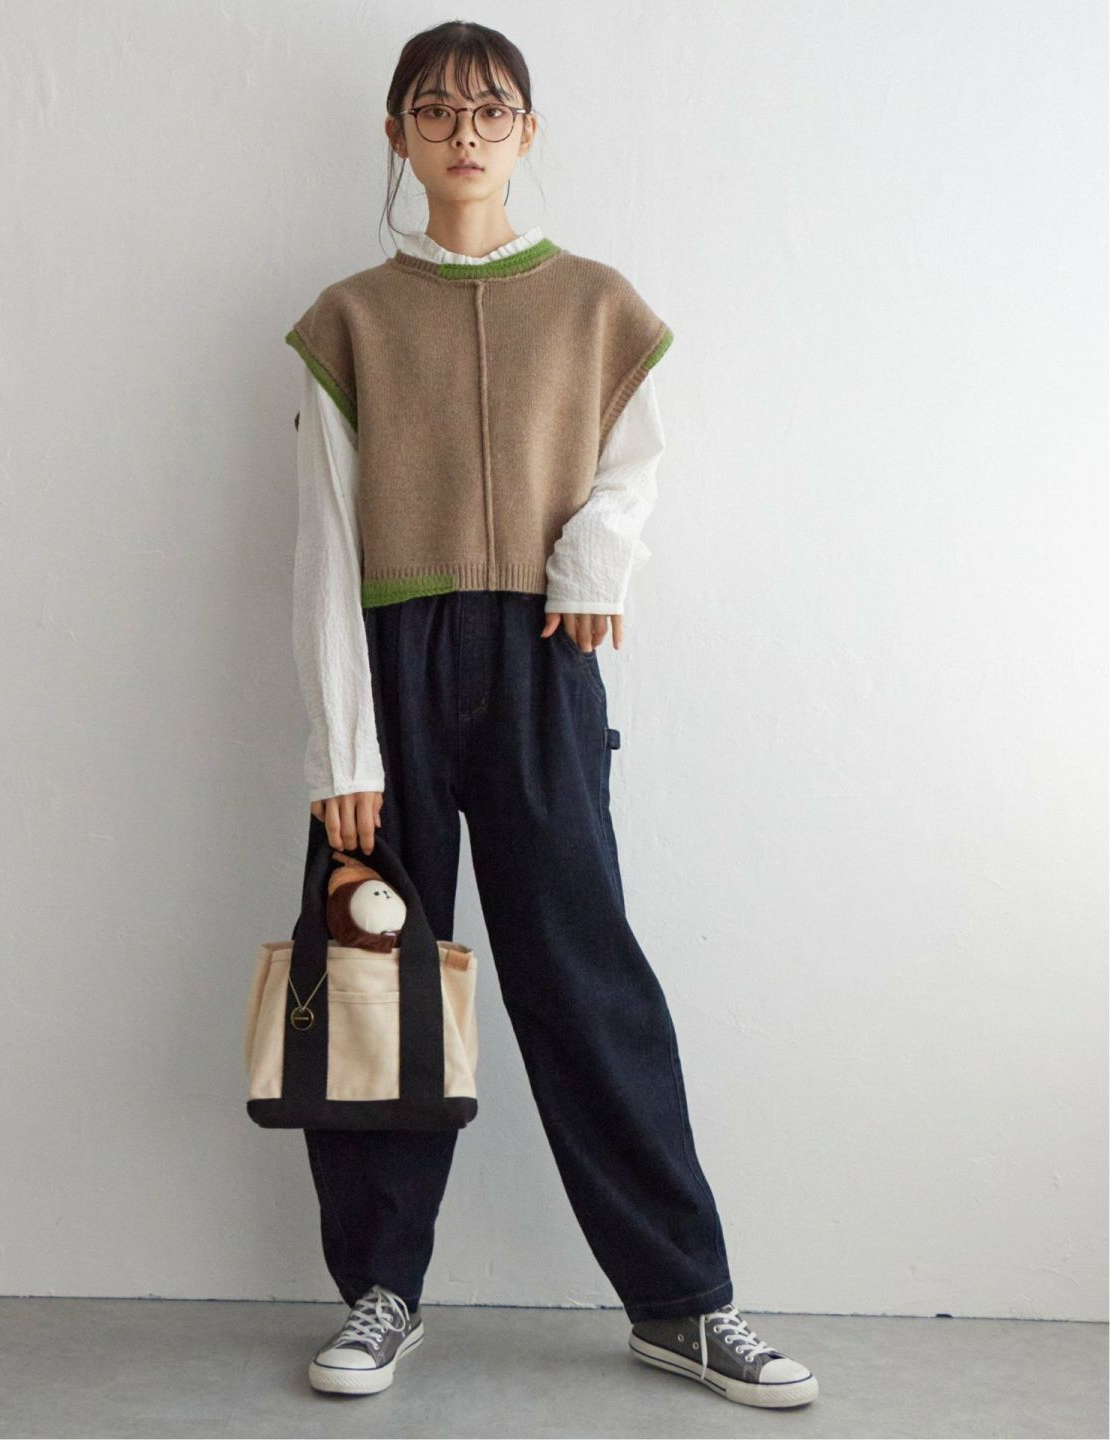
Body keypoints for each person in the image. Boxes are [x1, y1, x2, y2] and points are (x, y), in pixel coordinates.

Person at [285, 20, 818, 1411]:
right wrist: (342, 746)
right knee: (378, 979)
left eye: (491, 109)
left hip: (538, 661)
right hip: (391, 665)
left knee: (585, 976)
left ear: (528, 132)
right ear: (397, 136)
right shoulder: (349, 318)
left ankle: (682, 1302)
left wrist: (589, 567)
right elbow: (323, 542)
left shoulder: (594, 305)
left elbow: (633, 470)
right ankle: (381, 1291)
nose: (464, 133)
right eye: (435, 110)